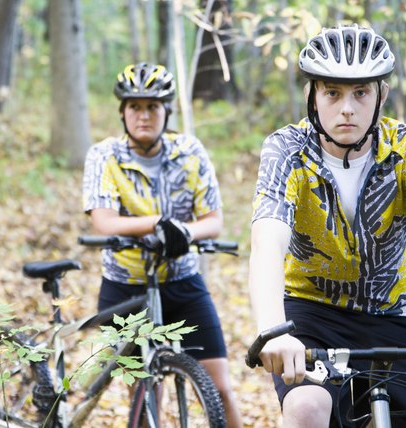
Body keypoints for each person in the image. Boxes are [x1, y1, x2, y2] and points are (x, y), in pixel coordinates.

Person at [248, 24, 406, 427]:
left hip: (392, 316)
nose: (347, 108)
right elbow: (267, 241)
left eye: (361, 93)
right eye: (332, 93)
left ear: (381, 96)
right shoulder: (286, 150)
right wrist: (272, 331)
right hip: (311, 315)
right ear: (312, 97)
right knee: (306, 408)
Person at [82, 62, 243, 427]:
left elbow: (212, 221)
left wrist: (185, 233)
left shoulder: (189, 152)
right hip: (125, 286)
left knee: (220, 387)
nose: (143, 115)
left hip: (183, 283)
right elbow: (104, 221)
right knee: (142, 395)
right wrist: (157, 223)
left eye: (152, 107)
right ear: (122, 112)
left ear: (166, 111)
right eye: (135, 106)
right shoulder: (104, 156)